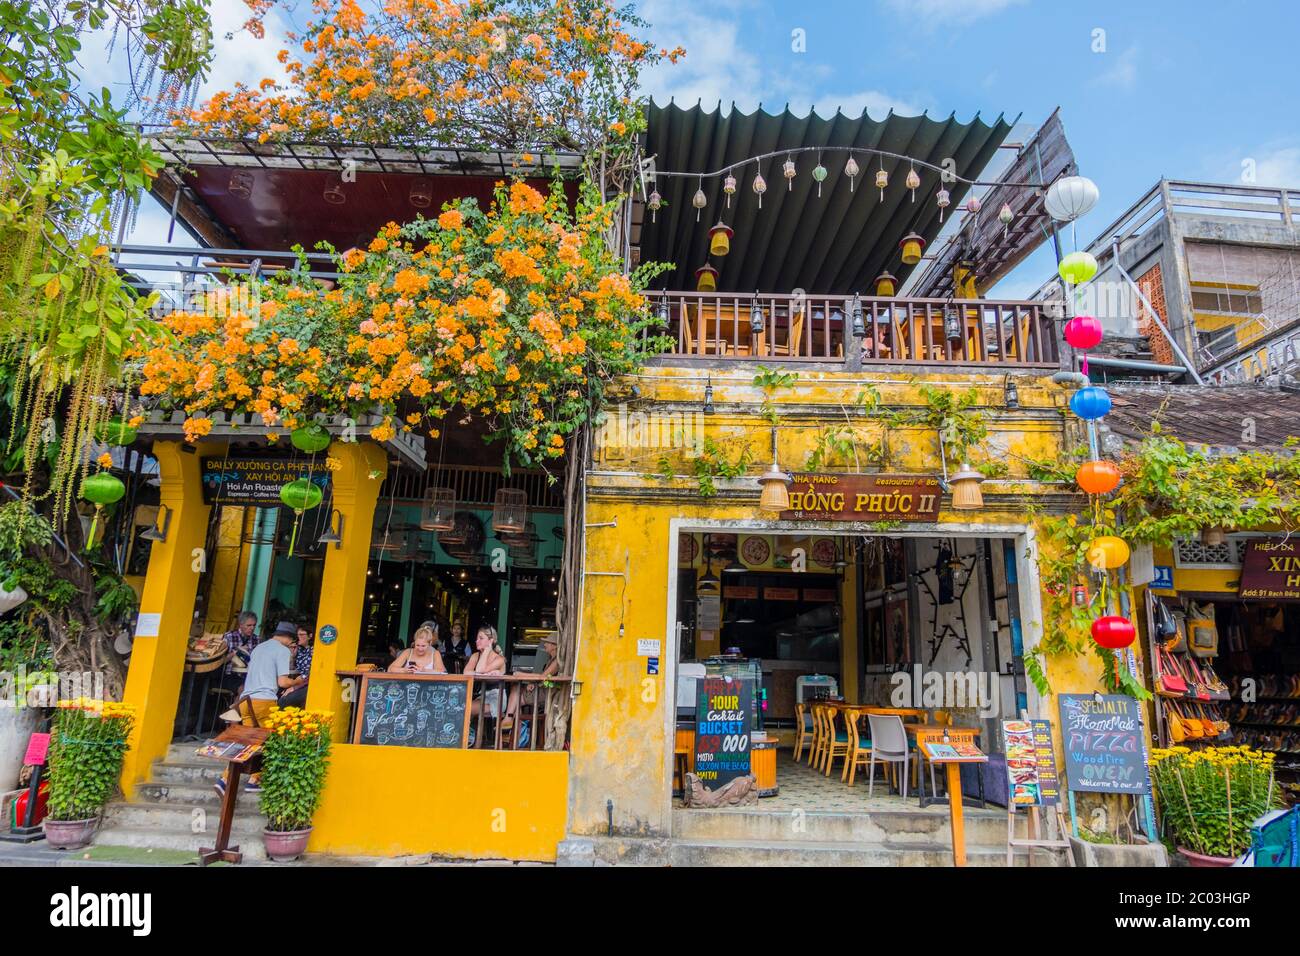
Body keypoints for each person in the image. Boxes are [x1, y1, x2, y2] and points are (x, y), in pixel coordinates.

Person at [216, 620, 297, 797]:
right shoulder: (282, 650)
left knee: (247, 742)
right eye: (292, 641)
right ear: (289, 638)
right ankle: (255, 780)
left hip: (246, 700)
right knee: (269, 740)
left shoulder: (259, 648)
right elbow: (282, 682)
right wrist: (298, 681)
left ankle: (225, 779)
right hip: (264, 701)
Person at [504, 634, 559, 748]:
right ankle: (515, 731)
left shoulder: (557, 661)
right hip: (543, 690)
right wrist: (532, 683)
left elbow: (544, 676)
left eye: (547, 643)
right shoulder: (551, 659)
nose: (545, 645)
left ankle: (510, 721)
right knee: (516, 692)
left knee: (515, 692)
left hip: (548, 695)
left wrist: (521, 674)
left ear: (554, 646)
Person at [466, 625, 507, 744]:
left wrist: (487, 651)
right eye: (477, 638)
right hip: (482, 696)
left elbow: (478, 671)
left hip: (496, 698)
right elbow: (466, 672)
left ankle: (468, 736)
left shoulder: (499, 659)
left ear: (491, 641)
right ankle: (469, 734)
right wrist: (483, 670)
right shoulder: (475, 655)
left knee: (466, 709)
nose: (476, 641)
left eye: (481, 638)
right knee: (461, 706)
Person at [277, 624, 313, 708]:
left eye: (301, 635)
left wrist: (295, 687)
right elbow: (292, 667)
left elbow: (309, 674)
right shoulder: (299, 650)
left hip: (307, 684)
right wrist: (292, 656)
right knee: (277, 694)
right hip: (297, 681)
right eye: (297, 635)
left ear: (310, 636)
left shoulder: (313, 651)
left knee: (283, 701)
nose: (298, 637)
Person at [221, 610, 259, 682]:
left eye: (254, 625)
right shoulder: (229, 636)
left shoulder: (256, 639)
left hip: (248, 675)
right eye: (249, 625)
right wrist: (237, 651)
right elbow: (222, 660)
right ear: (241, 625)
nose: (252, 628)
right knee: (242, 689)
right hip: (229, 675)